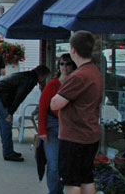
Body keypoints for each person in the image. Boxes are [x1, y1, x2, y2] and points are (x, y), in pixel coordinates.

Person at [51, 31, 103, 194]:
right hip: (90, 134)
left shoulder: (78, 76)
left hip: (74, 136)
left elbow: (55, 103)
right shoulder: (94, 71)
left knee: (71, 182)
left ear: (73, 50)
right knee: (86, 178)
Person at [0, 64, 51, 161]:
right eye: (45, 77)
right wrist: (10, 113)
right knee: (6, 122)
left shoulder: (27, 75)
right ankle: (8, 153)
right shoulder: (29, 81)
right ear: (41, 75)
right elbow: (19, 97)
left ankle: (8, 150)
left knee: (5, 123)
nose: (44, 80)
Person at [39, 53, 78, 194]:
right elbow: (42, 107)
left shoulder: (77, 85)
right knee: (54, 164)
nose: (65, 67)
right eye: (62, 64)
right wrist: (42, 131)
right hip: (53, 127)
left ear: (73, 66)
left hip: (71, 129)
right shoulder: (53, 84)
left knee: (68, 165)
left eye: (68, 64)